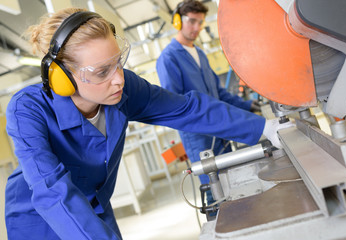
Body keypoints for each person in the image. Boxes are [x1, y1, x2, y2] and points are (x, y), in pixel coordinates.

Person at [4, 7, 288, 240]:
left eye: (118, 62)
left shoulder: (123, 89)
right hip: (40, 220)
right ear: (61, 79)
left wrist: (266, 128)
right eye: (103, 71)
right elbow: (51, 189)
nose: (118, 78)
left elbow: (187, 108)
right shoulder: (28, 110)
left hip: (95, 205)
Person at [156, 0, 261, 188]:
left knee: (233, 184)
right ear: (178, 21)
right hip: (199, 137)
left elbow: (218, 93)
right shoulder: (169, 58)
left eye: (200, 22)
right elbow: (175, 104)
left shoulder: (201, 55)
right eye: (192, 21)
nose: (197, 27)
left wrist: (247, 106)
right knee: (214, 188)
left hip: (220, 131)